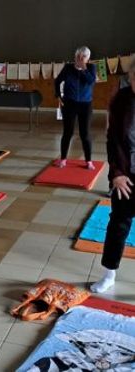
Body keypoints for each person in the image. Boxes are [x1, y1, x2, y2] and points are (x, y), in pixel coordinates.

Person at [90, 58, 135, 293]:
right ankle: (109, 274)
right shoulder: (122, 100)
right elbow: (113, 140)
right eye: (134, 79)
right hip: (126, 176)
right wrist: (116, 174)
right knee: (118, 225)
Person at [54, 46, 96, 170]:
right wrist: (58, 95)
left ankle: (88, 161)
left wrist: (83, 68)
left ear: (87, 58)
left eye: (83, 57)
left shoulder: (91, 68)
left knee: (85, 134)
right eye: (78, 56)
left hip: (85, 105)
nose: (79, 59)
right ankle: (63, 159)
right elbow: (57, 81)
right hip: (69, 104)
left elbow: (90, 81)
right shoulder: (68, 68)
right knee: (68, 132)